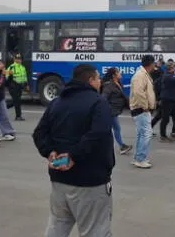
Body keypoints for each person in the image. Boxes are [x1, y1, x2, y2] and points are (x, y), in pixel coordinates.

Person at [33, 64, 115, 237]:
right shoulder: (98, 102)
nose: (100, 81)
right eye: (98, 78)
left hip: (59, 178)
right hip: (90, 181)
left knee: (57, 226)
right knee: (95, 230)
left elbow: (39, 133)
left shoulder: (57, 102)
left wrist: (50, 152)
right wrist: (73, 156)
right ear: (91, 80)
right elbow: (98, 135)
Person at [130, 55, 157, 169]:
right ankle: (140, 159)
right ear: (150, 64)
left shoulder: (143, 74)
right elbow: (138, 92)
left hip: (141, 109)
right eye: (154, 63)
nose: (155, 65)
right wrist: (145, 106)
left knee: (141, 134)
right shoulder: (140, 75)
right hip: (141, 109)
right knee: (146, 134)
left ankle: (138, 157)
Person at [152, 61, 175, 142]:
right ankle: (163, 136)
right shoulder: (167, 76)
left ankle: (174, 133)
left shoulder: (171, 75)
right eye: (174, 67)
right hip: (167, 100)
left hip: (173, 100)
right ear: (170, 68)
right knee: (165, 118)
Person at [101, 67, 132, 155]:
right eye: (118, 72)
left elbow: (121, 96)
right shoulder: (109, 85)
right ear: (114, 75)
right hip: (110, 111)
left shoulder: (118, 83)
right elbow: (104, 97)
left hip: (115, 110)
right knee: (116, 128)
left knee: (114, 129)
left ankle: (121, 146)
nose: (120, 74)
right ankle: (122, 146)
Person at [0, 59, 16, 141]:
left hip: (1, 98)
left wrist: (11, 76)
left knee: (4, 116)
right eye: (0, 64)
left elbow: (6, 84)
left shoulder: (2, 74)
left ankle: (8, 133)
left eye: (2, 63)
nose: (2, 65)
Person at [7, 54, 28, 121]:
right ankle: (18, 116)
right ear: (14, 59)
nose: (18, 60)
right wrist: (10, 85)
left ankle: (3, 107)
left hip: (20, 86)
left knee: (15, 101)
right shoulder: (12, 67)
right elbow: (6, 77)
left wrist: (26, 85)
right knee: (17, 101)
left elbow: (25, 77)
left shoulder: (23, 67)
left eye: (20, 59)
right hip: (13, 86)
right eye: (17, 58)